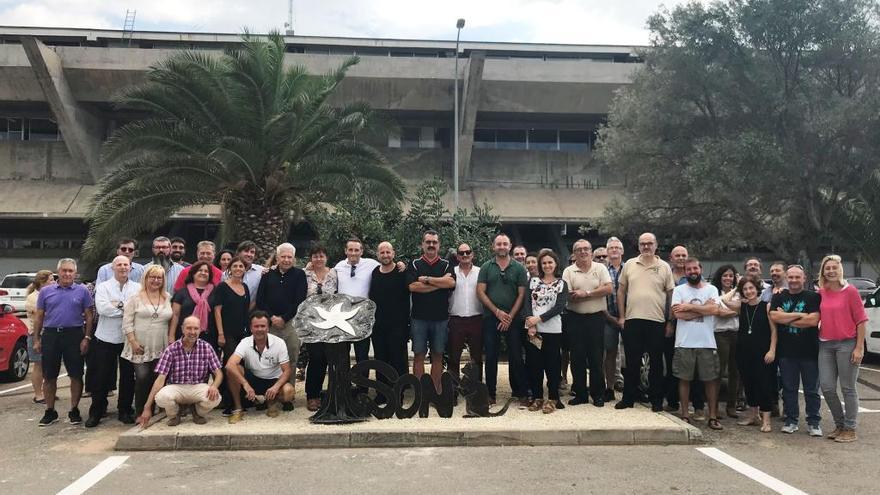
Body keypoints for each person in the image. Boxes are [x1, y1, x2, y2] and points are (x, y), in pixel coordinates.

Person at [615, 233, 675, 411]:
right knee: (632, 362)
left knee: (656, 363)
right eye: (643, 244)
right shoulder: (630, 265)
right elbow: (620, 291)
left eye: (650, 243)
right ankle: (628, 399)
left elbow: (671, 295)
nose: (646, 247)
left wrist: (670, 321)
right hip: (632, 320)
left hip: (656, 321)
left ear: (656, 245)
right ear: (638, 246)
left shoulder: (664, 267)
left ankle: (656, 400)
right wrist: (622, 316)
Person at [31, 258, 94, 427]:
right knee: (49, 376)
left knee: (76, 374)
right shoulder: (46, 291)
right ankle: (50, 411)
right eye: (64, 270)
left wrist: (86, 338)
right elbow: (39, 316)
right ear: (58, 272)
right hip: (51, 335)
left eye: (70, 271)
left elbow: (89, 315)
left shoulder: (82, 291)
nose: (67, 274)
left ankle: (74, 410)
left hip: (74, 335)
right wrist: (36, 339)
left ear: (75, 273)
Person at [816, 255, 869, 442]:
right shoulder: (821, 292)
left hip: (847, 344)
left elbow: (861, 320)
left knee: (848, 388)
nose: (831, 271)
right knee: (827, 387)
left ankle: (850, 428)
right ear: (823, 271)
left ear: (840, 269)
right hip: (825, 345)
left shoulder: (851, 291)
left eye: (834, 267)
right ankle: (839, 424)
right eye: (827, 268)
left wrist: (859, 348)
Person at [136, 316, 223, 427]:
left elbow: (219, 373)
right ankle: (175, 414)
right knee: (161, 397)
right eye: (189, 328)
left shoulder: (206, 347)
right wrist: (147, 407)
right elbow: (160, 379)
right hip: (177, 387)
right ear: (182, 329)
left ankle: (197, 411)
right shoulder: (171, 349)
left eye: (196, 328)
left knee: (215, 398)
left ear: (200, 330)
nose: (192, 332)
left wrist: (214, 386)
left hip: (197, 386)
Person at [87, 256, 140, 427]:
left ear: (130, 268)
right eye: (119, 265)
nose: (123, 267)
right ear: (112, 267)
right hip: (105, 338)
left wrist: (117, 305)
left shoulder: (138, 288)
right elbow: (102, 309)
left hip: (128, 338)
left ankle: (124, 410)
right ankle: (97, 411)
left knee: (127, 377)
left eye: (126, 265)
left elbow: (137, 310)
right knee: (101, 375)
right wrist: (126, 308)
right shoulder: (103, 286)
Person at [477, 233, 530, 405]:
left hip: (513, 319)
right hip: (491, 317)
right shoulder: (486, 267)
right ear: (493, 246)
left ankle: (520, 392)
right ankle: (490, 394)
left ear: (510, 246)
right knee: (491, 356)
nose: (501, 247)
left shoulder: (519, 268)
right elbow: (480, 292)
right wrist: (497, 312)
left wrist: (509, 317)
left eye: (504, 244)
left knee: (516, 356)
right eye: (498, 244)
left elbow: (522, 295)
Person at [769, 265, 822, 436]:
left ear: (804, 278)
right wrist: (800, 316)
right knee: (789, 389)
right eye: (790, 277)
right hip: (786, 353)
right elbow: (774, 316)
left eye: (797, 277)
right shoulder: (778, 297)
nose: (793, 280)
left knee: (811, 390)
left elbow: (813, 321)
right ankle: (791, 420)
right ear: (786, 278)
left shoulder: (813, 297)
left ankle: (814, 422)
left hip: (809, 352)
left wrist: (787, 317)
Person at [670, 258, 722, 429]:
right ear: (685, 272)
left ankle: (712, 416)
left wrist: (689, 307)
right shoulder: (679, 290)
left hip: (707, 342)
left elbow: (715, 310)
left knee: (710, 380)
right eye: (689, 269)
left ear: (700, 269)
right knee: (684, 379)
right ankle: (685, 415)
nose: (692, 271)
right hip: (684, 343)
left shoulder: (712, 289)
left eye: (695, 268)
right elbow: (678, 315)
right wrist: (703, 309)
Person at [722, 275, 777, 433]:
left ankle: (766, 420)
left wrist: (772, 350)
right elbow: (724, 300)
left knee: (763, 385)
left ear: (757, 288)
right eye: (745, 289)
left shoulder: (767, 306)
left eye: (751, 288)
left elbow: (774, 330)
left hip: (763, 352)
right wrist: (736, 287)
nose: (748, 291)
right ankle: (753, 416)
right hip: (744, 351)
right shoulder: (742, 306)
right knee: (749, 384)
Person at [255, 243, 307, 407]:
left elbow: (300, 300)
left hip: (291, 323)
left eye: (289, 257)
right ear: (277, 258)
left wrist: (284, 318)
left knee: (291, 359)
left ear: (294, 258)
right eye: (283, 256)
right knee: (268, 359)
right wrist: (271, 318)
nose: (286, 259)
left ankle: (287, 397)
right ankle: (268, 396)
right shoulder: (267, 275)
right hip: (269, 324)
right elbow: (260, 300)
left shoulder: (299, 275)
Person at [562, 239, 612, 407]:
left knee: (596, 357)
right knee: (577, 358)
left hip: (596, 318)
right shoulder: (569, 271)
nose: (583, 252)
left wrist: (587, 293)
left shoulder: (600, 268)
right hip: (575, 318)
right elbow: (565, 294)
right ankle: (580, 393)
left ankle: (598, 394)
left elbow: (608, 289)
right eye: (579, 249)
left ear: (591, 252)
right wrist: (575, 295)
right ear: (574, 253)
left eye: (586, 249)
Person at [406, 231, 456, 391]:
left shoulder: (447, 264)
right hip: (419, 318)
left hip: (440, 318)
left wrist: (427, 280)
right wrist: (440, 283)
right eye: (428, 242)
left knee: (438, 355)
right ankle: (420, 394)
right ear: (422, 244)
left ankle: (435, 392)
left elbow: (451, 284)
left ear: (439, 245)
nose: (431, 245)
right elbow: (413, 287)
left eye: (434, 242)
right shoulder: (414, 264)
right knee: (419, 355)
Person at [225, 311, 296, 423]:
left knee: (289, 392)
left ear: (268, 328)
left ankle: (271, 401)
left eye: (263, 326)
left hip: (273, 380)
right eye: (256, 326)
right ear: (251, 328)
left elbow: (287, 370)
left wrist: (276, 387)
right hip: (253, 379)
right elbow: (230, 364)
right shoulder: (245, 342)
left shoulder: (279, 342)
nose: (259, 329)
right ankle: (238, 408)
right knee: (233, 369)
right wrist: (245, 384)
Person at [121, 264, 172, 417]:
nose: (156, 280)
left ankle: (159, 410)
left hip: (161, 344)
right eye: (152, 277)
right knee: (143, 378)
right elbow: (127, 322)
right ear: (146, 278)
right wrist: (133, 341)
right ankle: (140, 412)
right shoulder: (135, 298)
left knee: (159, 378)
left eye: (159, 278)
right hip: (140, 344)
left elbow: (171, 320)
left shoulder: (167, 297)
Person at [524, 250, 569, 414]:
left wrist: (539, 319)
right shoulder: (533, 281)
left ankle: (553, 397)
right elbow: (527, 302)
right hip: (533, 330)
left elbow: (559, 307)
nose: (547, 265)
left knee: (552, 365)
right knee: (534, 364)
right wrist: (530, 322)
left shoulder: (561, 283)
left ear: (556, 263)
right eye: (544, 263)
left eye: (550, 262)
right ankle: (537, 397)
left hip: (553, 330)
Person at [368, 241, 410, 399]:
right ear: (377, 254)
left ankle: (398, 392)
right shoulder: (374, 273)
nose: (385, 255)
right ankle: (381, 393)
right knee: (380, 359)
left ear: (393, 253)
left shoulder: (401, 271)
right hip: (378, 326)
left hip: (398, 325)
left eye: (388, 252)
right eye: (382, 252)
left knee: (397, 359)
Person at [211, 256, 252, 415]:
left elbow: (246, 311)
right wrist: (221, 334)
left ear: (244, 269)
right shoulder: (222, 287)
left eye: (241, 266)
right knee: (231, 366)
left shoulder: (245, 287)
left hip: (243, 333)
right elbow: (217, 311)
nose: (238, 269)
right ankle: (231, 403)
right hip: (227, 333)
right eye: (235, 266)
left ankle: (243, 399)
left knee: (242, 366)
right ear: (229, 269)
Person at [303, 245, 338, 411]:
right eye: (315, 256)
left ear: (326, 258)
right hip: (311, 323)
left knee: (327, 358)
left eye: (321, 256)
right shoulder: (305, 274)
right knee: (315, 357)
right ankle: (312, 395)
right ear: (311, 258)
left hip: (330, 323)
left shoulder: (334, 274)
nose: (318, 259)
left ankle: (328, 393)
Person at [447, 243, 483, 384]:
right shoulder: (451, 273)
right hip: (456, 320)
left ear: (472, 254)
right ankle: (453, 390)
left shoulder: (481, 272)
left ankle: (476, 390)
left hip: (476, 319)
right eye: (461, 253)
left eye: (468, 252)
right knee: (453, 357)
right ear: (457, 256)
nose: (465, 255)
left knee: (477, 357)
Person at [711, 264, 741, 419]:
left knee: (734, 371)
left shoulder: (739, 292)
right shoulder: (714, 291)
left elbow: (741, 309)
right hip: (720, 335)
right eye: (725, 275)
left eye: (731, 276)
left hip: (736, 334)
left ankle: (731, 405)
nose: (728, 278)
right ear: (720, 277)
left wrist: (729, 308)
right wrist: (734, 311)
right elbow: (717, 312)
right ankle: (714, 407)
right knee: (719, 371)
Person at [169, 261, 217, 348]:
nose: (203, 273)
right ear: (193, 273)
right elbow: (175, 315)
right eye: (200, 270)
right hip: (184, 336)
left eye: (206, 271)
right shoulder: (181, 293)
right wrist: (171, 335)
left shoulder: (216, 292)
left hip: (209, 336)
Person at [24, 270, 54, 404]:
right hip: (37, 334)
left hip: (49, 334)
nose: (54, 282)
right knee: (38, 365)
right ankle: (38, 394)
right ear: (42, 282)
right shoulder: (33, 297)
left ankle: (48, 391)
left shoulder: (50, 294)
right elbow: (41, 315)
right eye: (51, 280)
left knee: (49, 365)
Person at [603, 237, 625, 400]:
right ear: (607, 251)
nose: (614, 250)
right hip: (608, 316)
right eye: (611, 248)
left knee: (632, 353)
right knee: (610, 352)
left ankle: (632, 387)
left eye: (617, 247)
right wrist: (611, 318)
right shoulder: (601, 269)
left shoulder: (631, 268)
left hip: (629, 317)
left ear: (622, 251)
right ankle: (609, 387)